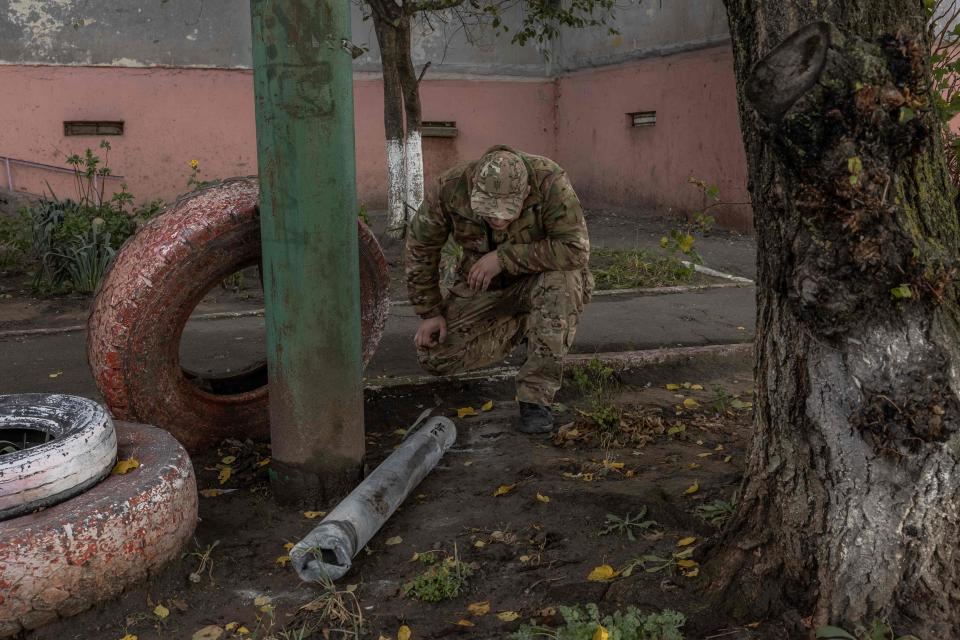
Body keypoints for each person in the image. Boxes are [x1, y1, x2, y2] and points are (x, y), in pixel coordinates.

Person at [405, 145, 593, 433]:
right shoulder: (450, 188)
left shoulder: (550, 181)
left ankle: (535, 397)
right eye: (490, 214)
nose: (499, 221)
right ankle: (527, 326)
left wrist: (504, 258)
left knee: (563, 283)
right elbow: (421, 247)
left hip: (540, 281)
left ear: (526, 191)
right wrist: (430, 311)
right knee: (435, 357)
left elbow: (576, 250)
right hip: (484, 287)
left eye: (507, 213)